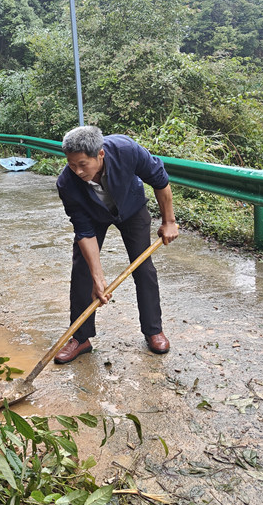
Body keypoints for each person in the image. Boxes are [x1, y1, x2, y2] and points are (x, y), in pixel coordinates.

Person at [54, 125, 178, 363]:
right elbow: (84, 231)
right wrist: (98, 277)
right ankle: (80, 338)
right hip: (92, 215)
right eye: (71, 164)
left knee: (143, 268)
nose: (77, 171)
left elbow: (160, 181)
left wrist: (169, 221)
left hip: (131, 208)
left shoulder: (126, 150)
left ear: (100, 154)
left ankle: (153, 330)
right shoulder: (67, 183)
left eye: (83, 164)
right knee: (82, 271)